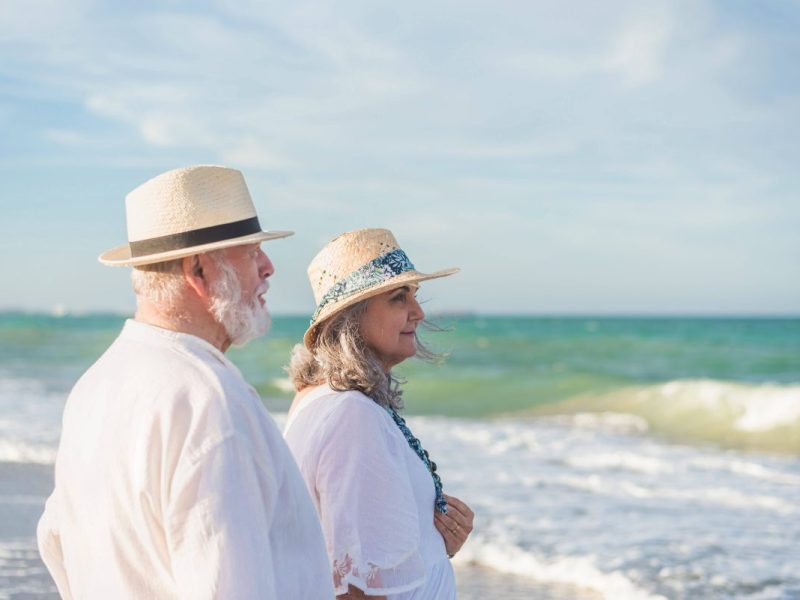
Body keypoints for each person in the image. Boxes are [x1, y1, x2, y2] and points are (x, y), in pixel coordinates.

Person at [37, 165, 334, 599]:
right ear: (199, 271)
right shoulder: (207, 400)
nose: (269, 267)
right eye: (251, 253)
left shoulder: (94, 386)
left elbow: (58, 546)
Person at [284, 228, 475, 599]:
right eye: (398, 298)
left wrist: (435, 544)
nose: (418, 313)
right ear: (351, 316)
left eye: (415, 297)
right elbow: (356, 590)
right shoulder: (352, 415)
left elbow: (351, 553)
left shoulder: (317, 398)